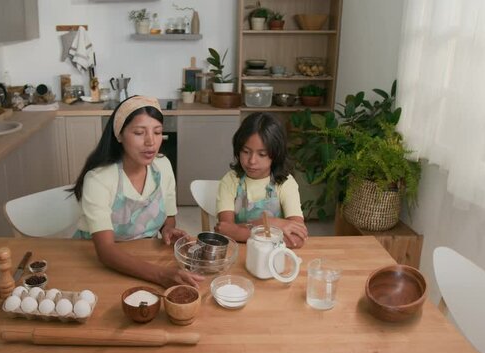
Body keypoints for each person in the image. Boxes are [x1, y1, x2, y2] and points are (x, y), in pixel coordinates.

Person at [71, 95, 204, 288]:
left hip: (145, 258)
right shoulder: (99, 179)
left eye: (157, 132)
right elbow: (106, 251)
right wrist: (160, 276)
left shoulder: (163, 166)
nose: (151, 142)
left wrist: (167, 229)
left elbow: (168, 216)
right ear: (119, 135)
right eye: (139, 133)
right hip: (98, 262)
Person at [214, 112, 308, 248]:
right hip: (239, 253)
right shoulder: (230, 181)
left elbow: (297, 239)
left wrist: (241, 231)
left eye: (262, 154)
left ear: (276, 154)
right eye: (246, 152)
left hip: (274, 258)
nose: (252, 161)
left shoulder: (285, 183)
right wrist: (273, 224)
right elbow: (225, 231)